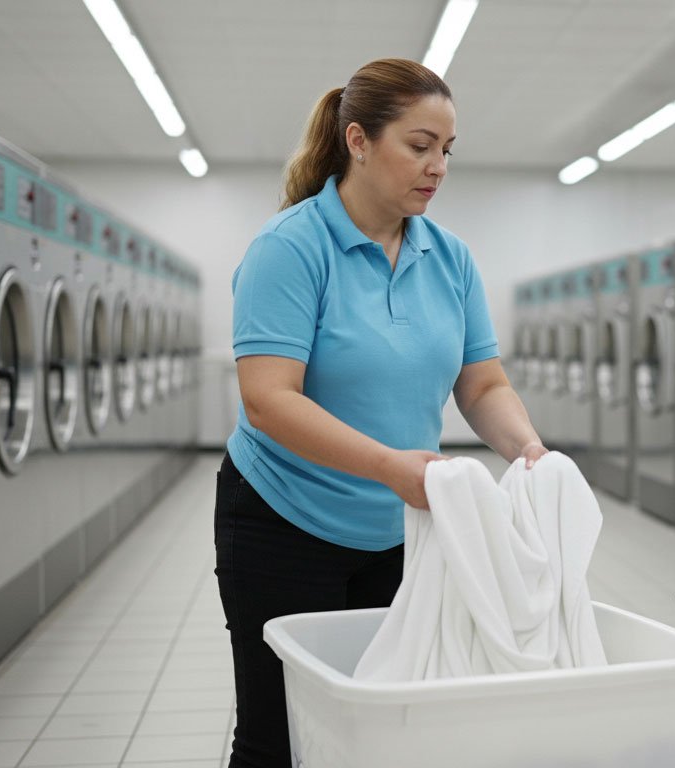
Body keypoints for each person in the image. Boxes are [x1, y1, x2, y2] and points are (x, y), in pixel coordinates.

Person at [214, 58, 547, 768]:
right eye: (419, 146)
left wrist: (529, 450)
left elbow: (482, 385)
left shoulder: (449, 258)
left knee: (390, 727)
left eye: (446, 151)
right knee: (279, 734)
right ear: (358, 141)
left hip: (402, 528)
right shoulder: (291, 248)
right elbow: (268, 399)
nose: (437, 168)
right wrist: (392, 468)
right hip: (283, 520)